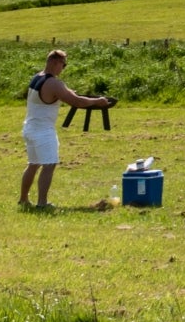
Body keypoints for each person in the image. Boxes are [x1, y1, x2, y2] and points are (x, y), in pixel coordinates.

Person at [18, 49, 115, 209]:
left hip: (30, 128)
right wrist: (98, 101)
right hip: (43, 131)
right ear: (56, 62)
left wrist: (68, 93)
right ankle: (42, 203)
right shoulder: (54, 83)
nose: (63, 69)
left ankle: (23, 199)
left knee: (33, 164)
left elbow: (60, 94)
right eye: (64, 65)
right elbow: (77, 102)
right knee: (49, 165)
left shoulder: (37, 77)